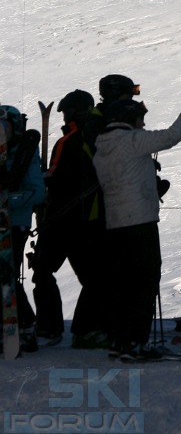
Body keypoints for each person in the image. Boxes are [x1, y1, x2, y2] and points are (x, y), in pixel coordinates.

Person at [93, 96, 181, 361]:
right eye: (140, 117)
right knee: (144, 281)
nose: (143, 122)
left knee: (122, 284)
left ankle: (120, 341)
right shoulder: (132, 140)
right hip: (140, 222)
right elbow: (170, 136)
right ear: (129, 117)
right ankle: (136, 343)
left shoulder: (102, 148)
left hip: (115, 224)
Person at [32, 89, 107, 346]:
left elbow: (54, 177)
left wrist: (43, 178)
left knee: (43, 270)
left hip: (60, 218)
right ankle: (86, 329)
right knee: (93, 277)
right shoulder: (96, 138)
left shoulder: (69, 140)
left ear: (74, 112)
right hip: (87, 219)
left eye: (65, 112)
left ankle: (49, 328)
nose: (64, 117)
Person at [0, 104, 45, 352]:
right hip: (3, 221)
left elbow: (37, 192)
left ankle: (26, 326)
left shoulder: (25, 152)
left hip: (16, 224)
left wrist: (9, 200)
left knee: (7, 276)